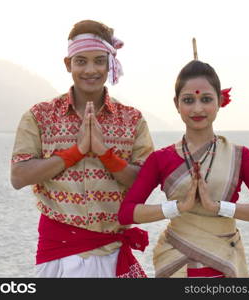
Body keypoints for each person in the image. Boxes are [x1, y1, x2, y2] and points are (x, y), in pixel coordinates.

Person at [10, 20, 154, 278]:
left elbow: (145, 182)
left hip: (112, 254)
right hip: (59, 255)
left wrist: (105, 154)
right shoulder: (40, 116)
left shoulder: (132, 120)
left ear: (110, 62)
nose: (91, 70)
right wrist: (74, 152)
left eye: (99, 60)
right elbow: (19, 176)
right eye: (81, 61)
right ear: (68, 64)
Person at [118, 59, 249, 278]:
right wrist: (177, 207)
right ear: (177, 104)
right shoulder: (160, 159)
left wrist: (218, 207)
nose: (197, 108)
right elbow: (126, 213)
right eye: (188, 100)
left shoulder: (240, 156)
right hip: (176, 263)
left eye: (206, 99)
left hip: (224, 264)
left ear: (220, 101)